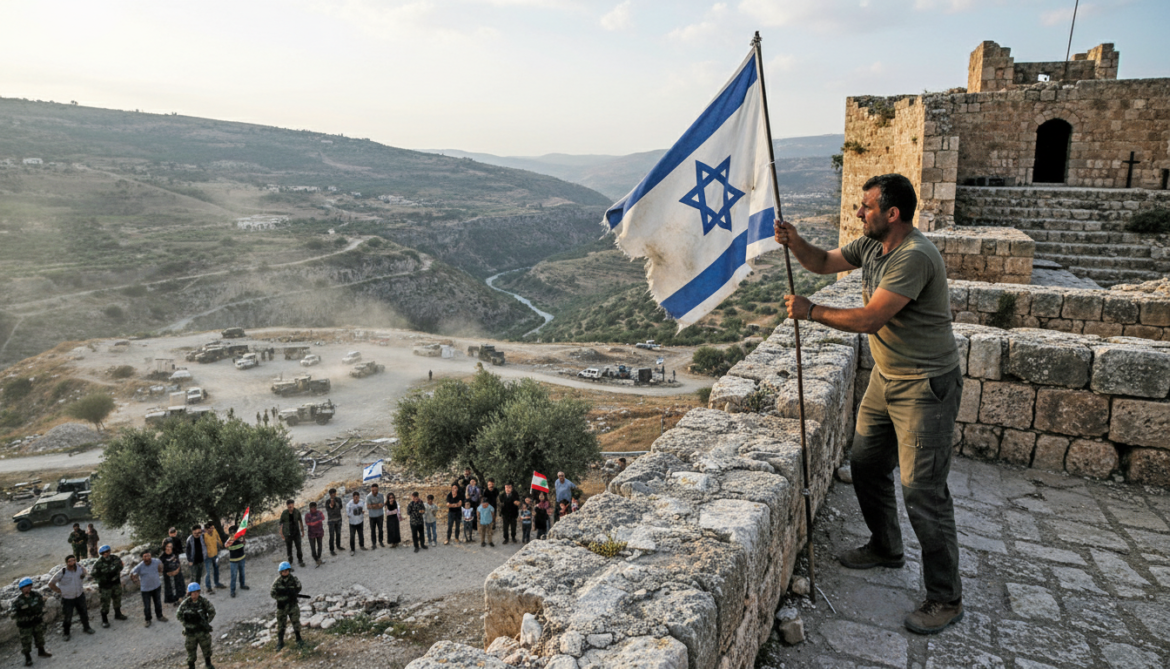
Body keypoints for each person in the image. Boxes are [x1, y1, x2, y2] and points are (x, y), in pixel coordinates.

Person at [774, 173, 964, 635]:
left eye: (866, 207)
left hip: (924, 385)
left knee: (923, 491)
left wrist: (812, 311)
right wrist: (796, 242)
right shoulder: (870, 247)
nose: (859, 213)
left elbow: (870, 318)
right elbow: (821, 262)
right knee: (866, 463)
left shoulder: (914, 256)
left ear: (891, 214)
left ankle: (946, 597)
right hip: (886, 377)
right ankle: (886, 547)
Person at [48, 555, 94, 640]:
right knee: (68, 616)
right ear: (66, 563)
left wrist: (81, 567)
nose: (72, 563)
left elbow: (85, 573)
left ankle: (87, 628)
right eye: (70, 561)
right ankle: (66, 633)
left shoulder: (79, 569)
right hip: (68, 598)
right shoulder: (62, 572)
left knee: (84, 613)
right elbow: (51, 583)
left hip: (79, 596)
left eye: (73, 560)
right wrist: (59, 591)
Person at [11, 577, 52, 666]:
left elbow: (42, 603)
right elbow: (13, 614)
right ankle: (28, 658)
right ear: (22, 588)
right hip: (25, 625)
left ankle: (41, 651)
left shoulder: (36, 595)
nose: (29, 587)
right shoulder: (17, 601)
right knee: (26, 641)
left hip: (36, 621)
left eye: (30, 585)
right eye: (27, 586)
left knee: (39, 637)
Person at [176, 583, 216, 669]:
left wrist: (206, 621)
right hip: (191, 632)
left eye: (197, 592)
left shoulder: (203, 601)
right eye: (193, 593)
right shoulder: (185, 603)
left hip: (202, 630)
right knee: (191, 651)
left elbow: (212, 611)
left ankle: (208, 664)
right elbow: (178, 614)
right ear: (189, 593)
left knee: (206, 648)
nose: (195, 595)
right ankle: (191, 666)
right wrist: (185, 624)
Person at [91, 545, 128, 627]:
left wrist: (116, 574)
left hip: (116, 583)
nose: (106, 553)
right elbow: (94, 574)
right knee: (105, 603)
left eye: (107, 551)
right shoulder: (98, 563)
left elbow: (121, 566)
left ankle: (118, 614)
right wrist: (102, 580)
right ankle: (104, 620)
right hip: (105, 586)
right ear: (101, 553)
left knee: (117, 599)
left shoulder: (115, 558)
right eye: (104, 552)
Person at [270, 562, 304, 650]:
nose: (285, 573)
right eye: (283, 571)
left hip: (292, 604)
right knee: (281, 624)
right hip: (282, 606)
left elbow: (299, 586)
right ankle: (280, 641)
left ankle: (298, 638)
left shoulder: (293, 579)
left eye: (286, 571)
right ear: (280, 572)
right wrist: (283, 597)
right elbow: (273, 593)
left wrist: (293, 593)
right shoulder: (277, 582)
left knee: (295, 621)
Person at [130, 549, 167, 626]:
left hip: (156, 587)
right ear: (142, 558)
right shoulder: (140, 566)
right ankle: (148, 620)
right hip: (145, 590)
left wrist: (160, 570)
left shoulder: (156, 561)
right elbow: (132, 574)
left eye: (148, 556)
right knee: (147, 606)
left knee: (158, 603)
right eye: (145, 556)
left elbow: (161, 566)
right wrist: (137, 582)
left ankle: (160, 616)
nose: (147, 558)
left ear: (151, 556)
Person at [185, 525, 213, 597]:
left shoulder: (202, 537)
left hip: (201, 561)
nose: (197, 534)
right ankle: (190, 594)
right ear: (192, 532)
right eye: (195, 533)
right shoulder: (189, 539)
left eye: (199, 532)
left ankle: (196, 593)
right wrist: (190, 560)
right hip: (193, 562)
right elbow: (187, 552)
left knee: (199, 577)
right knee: (193, 579)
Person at [278, 499, 305, 568]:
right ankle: (290, 563)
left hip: (296, 533)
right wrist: (281, 533)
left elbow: (300, 521)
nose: (290, 506)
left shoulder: (296, 512)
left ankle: (300, 560)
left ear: (293, 504)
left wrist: (302, 531)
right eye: (289, 504)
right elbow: (281, 523)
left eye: (291, 504)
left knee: (298, 548)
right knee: (289, 549)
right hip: (288, 534)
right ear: (287, 506)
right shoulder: (284, 513)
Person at [223, 526, 248, 597]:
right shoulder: (229, 541)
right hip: (233, 561)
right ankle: (232, 591)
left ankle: (242, 585)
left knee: (242, 573)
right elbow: (226, 545)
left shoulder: (240, 538)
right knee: (233, 576)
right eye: (232, 533)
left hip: (241, 558)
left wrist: (243, 537)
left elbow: (243, 543)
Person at [161, 542, 185, 607]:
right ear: (164, 547)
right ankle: (175, 600)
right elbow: (162, 567)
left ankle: (180, 598)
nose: (169, 548)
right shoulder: (162, 556)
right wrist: (170, 573)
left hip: (177, 572)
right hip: (169, 575)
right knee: (172, 587)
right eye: (168, 546)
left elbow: (178, 562)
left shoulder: (175, 553)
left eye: (170, 546)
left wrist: (177, 570)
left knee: (179, 585)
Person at [203, 523, 226, 590]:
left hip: (215, 554)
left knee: (216, 569)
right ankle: (208, 587)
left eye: (213, 528)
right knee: (208, 572)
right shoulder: (203, 535)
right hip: (208, 556)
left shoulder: (214, 531)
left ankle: (217, 583)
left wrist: (221, 545)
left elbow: (218, 537)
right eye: (210, 529)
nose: (212, 530)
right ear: (206, 529)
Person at [324, 488, 344, 556]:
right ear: (330, 495)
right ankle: (331, 549)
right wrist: (331, 504)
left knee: (338, 534)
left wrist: (336, 503)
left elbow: (341, 507)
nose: (333, 495)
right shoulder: (327, 502)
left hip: (338, 519)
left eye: (334, 494)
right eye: (332, 494)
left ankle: (338, 546)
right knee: (331, 535)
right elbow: (328, 509)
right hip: (331, 521)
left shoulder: (338, 499)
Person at [305, 502, 325, 566]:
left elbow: (323, 518)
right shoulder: (307, 515)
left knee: (320, 546)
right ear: (310, 508)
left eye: (314, 507)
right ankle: (316, 559)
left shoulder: (319, 513)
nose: (314, 509)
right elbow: (308, 522)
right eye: (312, 507)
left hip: (319, 532)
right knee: (313, 548)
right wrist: (317, 521)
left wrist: (313, 521)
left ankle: (318, 558)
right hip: (311, 534)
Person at [366, 484, 386, 548]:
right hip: (372, 516)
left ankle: (381, 541)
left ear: (378, 489)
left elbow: (382, 505)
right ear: (371, 489)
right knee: (373, 530)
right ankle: (374, 543)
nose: (374, 491)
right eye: (373, 490)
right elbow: (368, 506)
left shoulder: (381, 495)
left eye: (376, 490)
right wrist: (377, 505)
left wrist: (373, 505)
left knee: (380, 529)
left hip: (380, 515)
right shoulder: (368, 496)